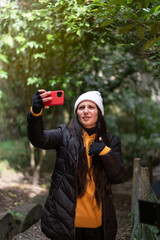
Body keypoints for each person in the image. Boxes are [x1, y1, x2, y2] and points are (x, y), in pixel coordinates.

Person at [27, 89, 126, 240]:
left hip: (98, 222)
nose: (86, 111)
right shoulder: (64, 135)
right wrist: (35, 113)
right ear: (77, 113)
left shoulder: (111, 141)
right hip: (66, 221)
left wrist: (105, 152)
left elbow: (118, 176)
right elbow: (39, 139)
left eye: (91, 107)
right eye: (81, 107)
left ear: (99, 112)